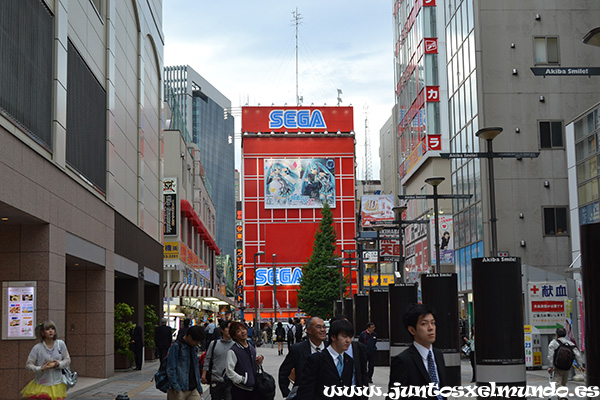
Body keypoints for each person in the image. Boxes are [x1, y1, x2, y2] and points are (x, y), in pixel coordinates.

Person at [389, 304, 447, 400]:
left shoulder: (438, 355)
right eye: (424, 324)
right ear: (412, 330)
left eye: (433, 323)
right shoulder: (403, 361)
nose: (431, 328)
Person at [296, 319, 355, 400]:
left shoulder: (349, 361)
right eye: (344, 336)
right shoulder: (315, 360)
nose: (348, 340)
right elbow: (305, 392)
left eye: (350, 337)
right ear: (333, 337)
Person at [278, 316, 327, 399]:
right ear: (309, 330)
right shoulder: (297, 350)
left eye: (324, 327)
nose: (322, 330)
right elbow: (284, 372)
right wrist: (287, 393)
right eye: (318, 327)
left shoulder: (331, 347)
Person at [21, 321, 71, 400]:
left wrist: (58, 364)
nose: (51, 331)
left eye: (53, 329)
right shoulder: (37, 348)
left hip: (57, 384)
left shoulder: (60, 344)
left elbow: (67, 360)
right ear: (42, 332)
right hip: (41, 384)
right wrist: (41, 368)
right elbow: (28, 365)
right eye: (47, 329)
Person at [225, 321, 264, 399]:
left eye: (243, 329)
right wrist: (243, 380)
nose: (242, 332)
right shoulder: (233, 351)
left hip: (253, 388)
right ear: (234, 336)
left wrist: (258, 362)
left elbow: (249, 364)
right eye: (238, 331)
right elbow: (229, 371)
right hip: (240, 390)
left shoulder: (251, 347)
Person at [166, 325, 204, 400]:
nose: (196, 343)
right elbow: (170, 368)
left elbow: (196, 367)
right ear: (189, 337)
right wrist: (175, 386)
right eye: (195, 341)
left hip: (192, 388)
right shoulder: (176, 347)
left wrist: (199, 387)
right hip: (179, 388)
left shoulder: (194, 348)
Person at [202, 320, 234, 400]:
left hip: (231, 381)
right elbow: (207, 359)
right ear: (222, 330)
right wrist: (204, 374)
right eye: (228, 328)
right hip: (215, 380)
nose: (230, 330)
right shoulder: (214, 344)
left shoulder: (235, 345)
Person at [548, 327, 585, 394]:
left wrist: (551, 366)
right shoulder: (570, 344)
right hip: (567, 367)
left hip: (557, 367)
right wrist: (581, 366)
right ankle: (562, 397)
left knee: (557, 384)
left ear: (557, 334)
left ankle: (563, 397)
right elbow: (578, 355)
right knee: (564, 383)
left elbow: (550, 355)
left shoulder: (553, 343)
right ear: (565, 334)